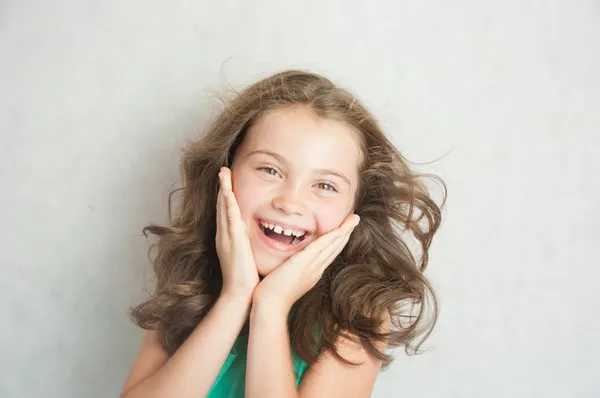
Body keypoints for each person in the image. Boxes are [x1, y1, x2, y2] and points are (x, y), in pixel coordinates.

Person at [120, 70, 445, 398]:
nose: (290, 203)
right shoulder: (189, 276)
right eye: (269, 170)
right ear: (226, 173)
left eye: (325, 186)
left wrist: (271, 307)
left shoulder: (359, 314)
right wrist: (235, 297)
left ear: (356, 208)